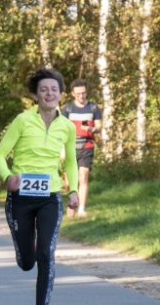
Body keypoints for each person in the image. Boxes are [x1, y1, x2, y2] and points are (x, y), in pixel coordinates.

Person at [0, 68, 79, 305]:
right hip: (20, 198)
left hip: (50, 197)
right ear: (36, 94)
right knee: (27, 261)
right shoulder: (22, 120)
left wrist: (73, 190)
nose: (49, 93)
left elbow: (72, 162)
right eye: (44, 89)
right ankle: (25, 249)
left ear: (61, 95)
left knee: (46, 254)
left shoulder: (66, 126)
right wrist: (7, 176)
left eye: (54, 89)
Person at [61, 79, 102, 218]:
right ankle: (72, 202)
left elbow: (99, 126)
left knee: (83, 177)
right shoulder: (67, 109)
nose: (81, 96)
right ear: (73, 94)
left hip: (87, 146)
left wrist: (92, 128)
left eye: (84, 93)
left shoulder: (93, 108)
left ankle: (82, 209)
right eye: (78, 94)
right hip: (70, 147)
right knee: (69, 182)